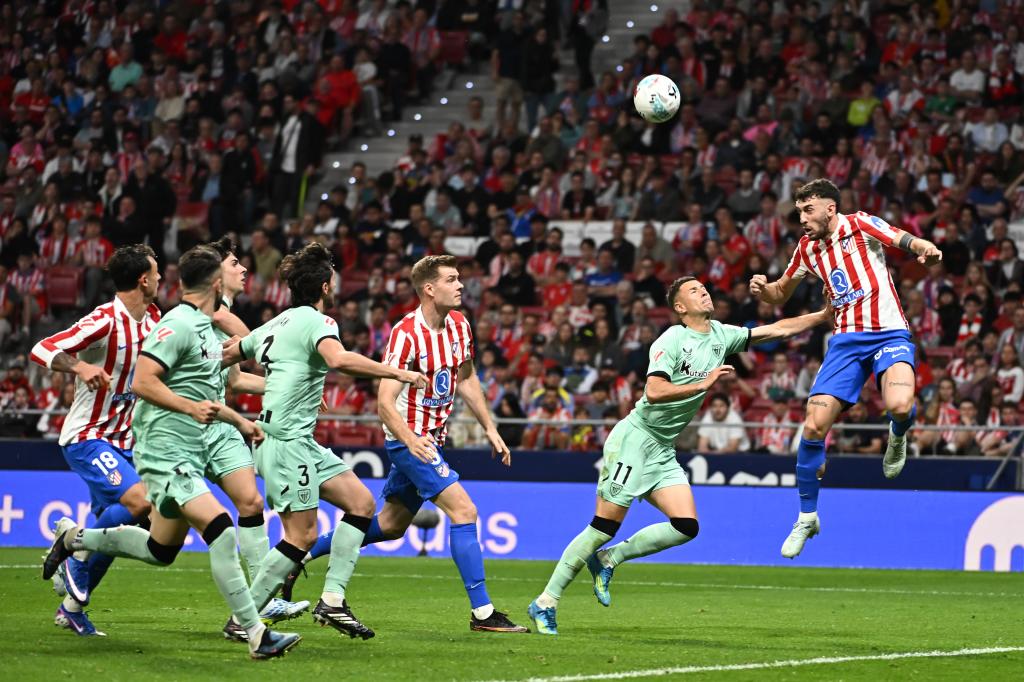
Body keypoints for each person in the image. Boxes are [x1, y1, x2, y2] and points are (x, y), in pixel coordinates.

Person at [526, 276, 831, 635]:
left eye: (704, 287)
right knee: (602, 527)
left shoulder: (721, 334)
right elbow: (654, 391)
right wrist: (702, 384)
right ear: (680, 308)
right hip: (635, 439)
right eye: (693, 290)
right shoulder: (672, 339)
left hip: (662, 449)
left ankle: (610, 559)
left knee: (686, 526)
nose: (703, 291)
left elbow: (776, 330)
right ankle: (545, 602)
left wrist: (823, 315)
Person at [42, 245, 300, 659]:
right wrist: (190, 407)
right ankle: (255, 632)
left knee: (160, 550)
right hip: (164, 450)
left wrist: (242, 418)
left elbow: (214, 386)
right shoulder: (176, 325)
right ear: (216, 284)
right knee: (220, 528)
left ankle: (75, 538)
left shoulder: (193, 326)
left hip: (189, 449)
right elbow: (145, 383)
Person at [283, 255, 528, 634]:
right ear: (429, 289)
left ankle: (297, 558)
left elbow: (466, 379)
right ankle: (483, 614)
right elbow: (384, 401)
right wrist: (411, 439)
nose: (461, 285)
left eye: (459, 278)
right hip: (409, 441)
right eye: (452, 279)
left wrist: (490, 429)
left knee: (391, 525)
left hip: (431, 440)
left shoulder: (460, 325)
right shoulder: (406, 333)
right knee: (465, 511)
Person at [221, 243, 427, 640]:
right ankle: (243, 618)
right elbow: (338, 360)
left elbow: (230, 354)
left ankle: (332, 600)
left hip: (294, 440)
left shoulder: (276, 324)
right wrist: (396, 372)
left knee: (362, 504)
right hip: (285, 443)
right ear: (326, 287)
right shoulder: (319, 323)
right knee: (302, 536)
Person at [748, 178, 942, 559]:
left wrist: (925, 248)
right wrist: (763, 289)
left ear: (830, 208)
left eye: (808, 210)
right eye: (799, 211)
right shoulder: (807, 249)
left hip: (889, 335)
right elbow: (779, 294)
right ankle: (807, 517)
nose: (802, 218)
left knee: (900, 406)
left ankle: (898, 436)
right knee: (813, 426)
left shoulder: (860, 224)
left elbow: (902, 238)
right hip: (845, 344)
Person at [30, 244, 162, 636]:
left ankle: (71, 607)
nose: (159, 279)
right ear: (143, 279)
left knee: (130, 523)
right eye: (156, 273)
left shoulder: (153, 320)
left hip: (124, 441)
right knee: (142, 501)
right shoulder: (106, 320)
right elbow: (42, 348)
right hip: (88, 436)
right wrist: (80, 363)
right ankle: (75, 549)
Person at [204, 237, 310, 639]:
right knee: (153, 529)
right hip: (186, 424)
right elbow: (262, 350)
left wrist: (285, 389)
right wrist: (290, 382)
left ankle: (262, 601)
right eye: (235, 263)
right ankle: (80, 545)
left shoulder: (224, 313)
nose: (244, 269)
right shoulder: (217, 314)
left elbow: (234, 379)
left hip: (218, 423)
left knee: (250, 503)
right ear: (216, 275)